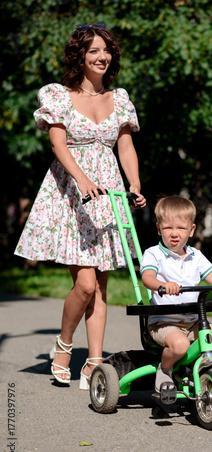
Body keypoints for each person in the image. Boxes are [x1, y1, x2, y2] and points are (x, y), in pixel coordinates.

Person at [14, 22, 146, 389]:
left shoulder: (119, 98)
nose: (102, 57)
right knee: (85, 285)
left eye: (106, 51)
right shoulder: (58, 95)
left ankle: (94, 362)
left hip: (108, 196)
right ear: (80, 57)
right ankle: (64, 343)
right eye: (93, 52)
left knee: (101, 287)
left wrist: (134, 183)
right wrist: (82, 179)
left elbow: (125, 147)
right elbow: (58, 144)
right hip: (71, 195)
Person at [140, 195, 212, 393]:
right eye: (168, 228)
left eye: (180, 228)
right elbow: (147, 277)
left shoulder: (196, 256)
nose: (174, 234)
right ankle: (166, 369)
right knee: (179, 345)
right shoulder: (153, 253)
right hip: (164, 322)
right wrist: (162, 285)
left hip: (193, 321)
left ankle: (192, 368)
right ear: (158, 229)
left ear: (191, 230)